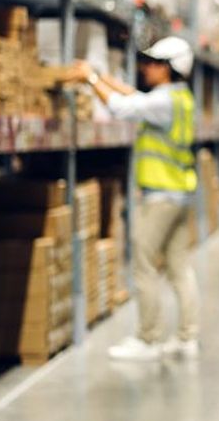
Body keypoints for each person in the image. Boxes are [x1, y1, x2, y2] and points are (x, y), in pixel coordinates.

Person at [67, 36, 201, 361]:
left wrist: (91, 78)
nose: (146, 67)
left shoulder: (163, 101)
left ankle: (148, 339)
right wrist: (105, 76)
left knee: (143, 266)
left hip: (160, 199)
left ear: (170, 69)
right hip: (181, 193)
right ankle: (187, 338)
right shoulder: (179, 98)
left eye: (155, 63)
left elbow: (119, 108)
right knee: (179, 267)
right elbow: (137, 98)